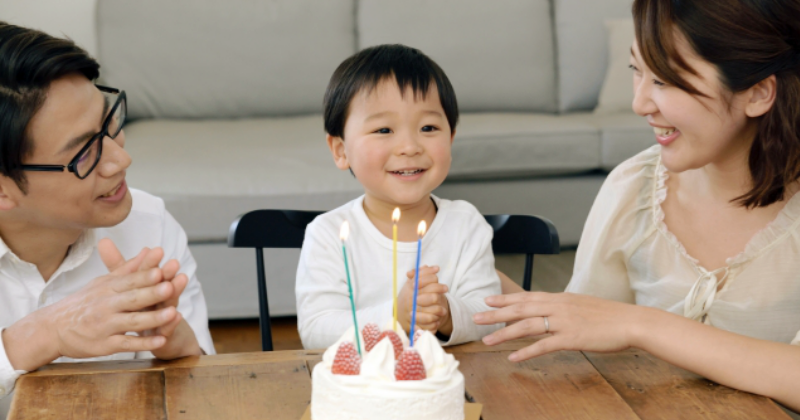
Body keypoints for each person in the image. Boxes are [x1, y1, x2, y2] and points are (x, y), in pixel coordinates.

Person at [474, 0, 800, 412]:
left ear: (757, 93)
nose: (640, 103)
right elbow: (587, 336)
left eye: (665, 80)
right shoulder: (635, 188)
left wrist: (640, 325)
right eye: (636, 72)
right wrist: (489, 287)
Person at [0, 22, 215, 415]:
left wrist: (182, 348)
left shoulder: (148, 224)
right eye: (84, 153)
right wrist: (40, 335)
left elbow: (205, 394)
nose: (120, 159)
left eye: (109, 122)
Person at [296, 44, 502, 349]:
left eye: (428, 127)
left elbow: (490, 317)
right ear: (341, 151)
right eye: (383, 130)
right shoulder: (329, 234)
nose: (409, 146)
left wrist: (446, 315)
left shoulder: (465, 224)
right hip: (361, 390)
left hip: (452, 385)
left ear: (451, 137)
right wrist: (394, 316)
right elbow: (316, 330)